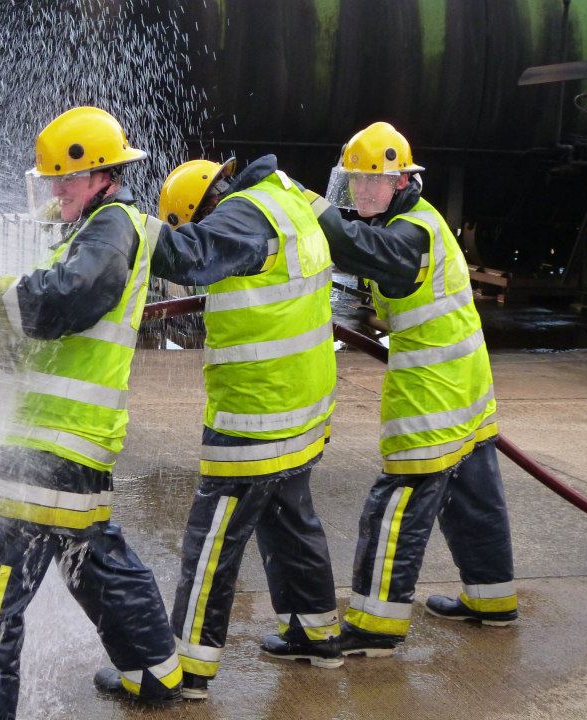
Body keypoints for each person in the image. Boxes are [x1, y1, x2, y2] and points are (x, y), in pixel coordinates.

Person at [0, 106, 182, 718]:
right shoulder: (93, 233)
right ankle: (155, 670)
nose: (55, 191)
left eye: (66, 179)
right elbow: (50, 343)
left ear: (104, 176)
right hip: (74, 443)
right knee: (92, 560)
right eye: (50, 179)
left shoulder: (109, 229)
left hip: (48, 450)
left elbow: (65, 303)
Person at [311, 121, 517, 658]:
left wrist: (313, 211)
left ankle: (375, 627)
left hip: (433, 391)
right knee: (474, 496)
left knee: (396, 504)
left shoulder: (411, 234)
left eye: (369, 182)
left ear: (401, 181)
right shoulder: (412, 222)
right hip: (466, 380)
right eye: (352, 182)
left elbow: (363, 252)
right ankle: (492, 602)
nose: (358, 193)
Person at [151, 154, 341, 700]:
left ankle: (187, 668)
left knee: (212, 540)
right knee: (290, 518)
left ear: (198, 209)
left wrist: (127, 225)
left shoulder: (240, 217)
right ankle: (315, 633)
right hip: (301, 402)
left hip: (256, 414)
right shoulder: (286, 200)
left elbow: (191, 257)